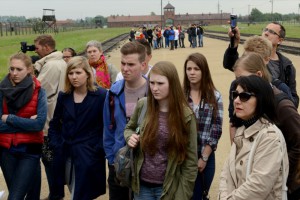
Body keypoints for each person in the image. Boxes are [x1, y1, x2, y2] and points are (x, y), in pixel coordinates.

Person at [124, 61, 198, 200]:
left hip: (169, 189)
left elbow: (191, 162)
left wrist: (182, 196)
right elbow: (129, 128)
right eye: (152, 83)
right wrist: (130, 137)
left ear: (172, 84)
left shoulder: (186, 116)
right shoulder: (143, 105)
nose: (155, 88)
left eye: (160, 83)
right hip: (142, 187)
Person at [232, 52, 300, 200]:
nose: (237, 83)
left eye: (242, 78)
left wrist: (280, 171)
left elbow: (298, 142)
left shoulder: (282, 106)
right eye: (236, 79)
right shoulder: (248, 102)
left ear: (259, 74)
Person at [219, 75, 289, 199]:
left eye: (244, 96)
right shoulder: (241, 131)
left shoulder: (269, 137)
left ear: (261, 99)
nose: (236, 100)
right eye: (235, 95)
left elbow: (258, 186)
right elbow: (226, 175)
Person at [48, 56, 107, 200]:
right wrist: (56, 144)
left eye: (78, 73)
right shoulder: (64, 96)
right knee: (73, 189)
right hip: (66, 153)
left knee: (80, 194)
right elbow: (54, 125)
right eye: (70, 73)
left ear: (87, 74)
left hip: (89, 155)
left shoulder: (101, 95)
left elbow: (106, 127)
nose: (74, 77)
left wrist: (98, 148)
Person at [103, 41, 148, 200]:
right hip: (119, 163)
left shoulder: (154, 92)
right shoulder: (113, 93)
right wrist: (111, 158)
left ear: (143, 65)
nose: (125, 68)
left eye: (130, 64)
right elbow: (108, 129)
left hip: (147, 163)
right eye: (122, 63)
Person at [0, 53, 47, 199]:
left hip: (29, 151)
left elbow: (39, 124)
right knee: (18, 192)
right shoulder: (1, 90)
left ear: (28, 69)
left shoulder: (39, 91)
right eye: (12, 69)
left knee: (15, 197)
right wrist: (27, 122)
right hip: (6, 150)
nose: (14, 73)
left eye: (19, 69)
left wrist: (9, 118)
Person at [223, 22, 299, 108]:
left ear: (280, 40)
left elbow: (293, 97)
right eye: (265, 29)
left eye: (272, 32)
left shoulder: (287, 66)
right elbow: (230, 64)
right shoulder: (251, 56)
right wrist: (234, 44)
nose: (266, 33)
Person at [183, 53, 223, 199]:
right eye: (189, 69)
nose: (192, 72)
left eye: (196, 69)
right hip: (183, 156)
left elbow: (216, 128)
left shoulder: (214, 96)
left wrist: (204, 157)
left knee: (199, 195)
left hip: (205, 156)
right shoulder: (180, 95)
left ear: (204, 71)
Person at [34, 34, 67, 200]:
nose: (35, 51)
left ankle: (55, 193)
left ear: (47, 48)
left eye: (37, 47)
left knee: (49, 159)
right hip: (57, 116)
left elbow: (37, 89)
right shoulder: (60, 62)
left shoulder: (51, 65)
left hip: (49, 118)